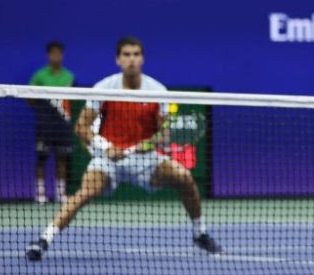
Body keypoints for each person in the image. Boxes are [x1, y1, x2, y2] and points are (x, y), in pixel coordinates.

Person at [26, 36, 220, 261]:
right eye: (126, 55)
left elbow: (165, 133)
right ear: (118, 59)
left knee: (185, 178)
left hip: (145, 159)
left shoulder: (158, 90)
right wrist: (106, 147)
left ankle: (200, 233)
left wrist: (150, 143)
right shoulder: (105, 87)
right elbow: (81, 126)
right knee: (84, 193)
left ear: (142, 59)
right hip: (107, 159)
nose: (132, 60)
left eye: (136, 54)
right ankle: (44, 240)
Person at [28, 41, 75, 204]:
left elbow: (72, 101)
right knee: (42, 159)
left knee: (62, 158)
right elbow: (30, 100)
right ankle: (40, 193)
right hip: (44, 125)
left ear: (62, 55)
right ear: (48, 55)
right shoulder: (39, 76)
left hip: (63, 125)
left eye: (59, 53)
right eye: (53, 53)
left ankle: (60, 193)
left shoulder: (69, 76)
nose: (56, 56)